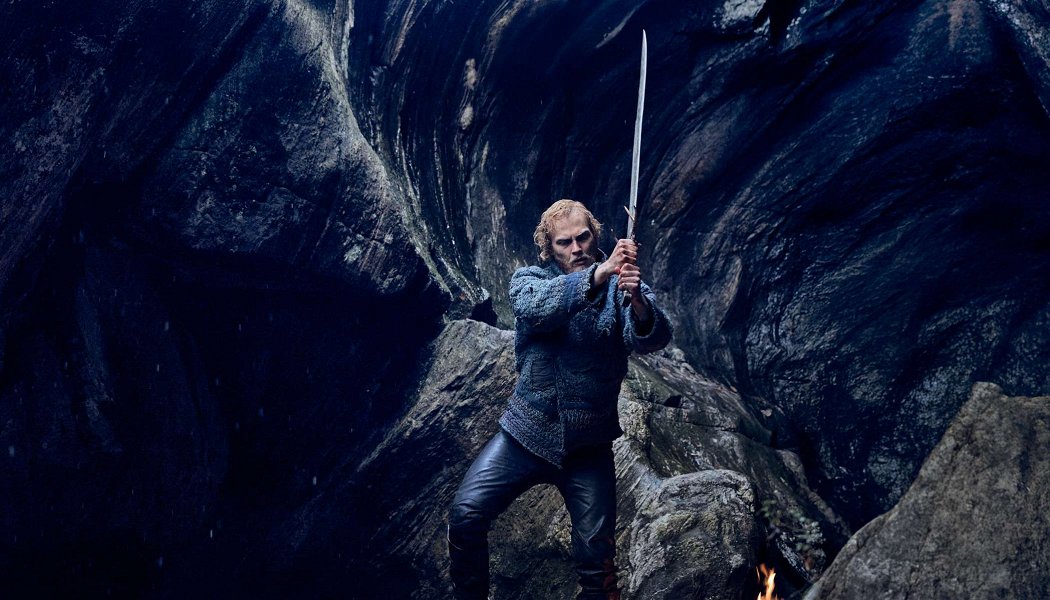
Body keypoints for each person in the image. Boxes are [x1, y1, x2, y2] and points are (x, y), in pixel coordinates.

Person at [447, 199, 673, 600]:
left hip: (589, 449)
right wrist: (600, 274)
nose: (577, 248)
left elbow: (651, 338)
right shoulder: (530, 279)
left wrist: (637, 300)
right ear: (549, 248)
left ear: (595, 234)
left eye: (583, 237)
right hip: (525, 435)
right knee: (465, 516)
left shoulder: (621, 285)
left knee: (599, 568)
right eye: (564, 242)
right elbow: (536, 308)